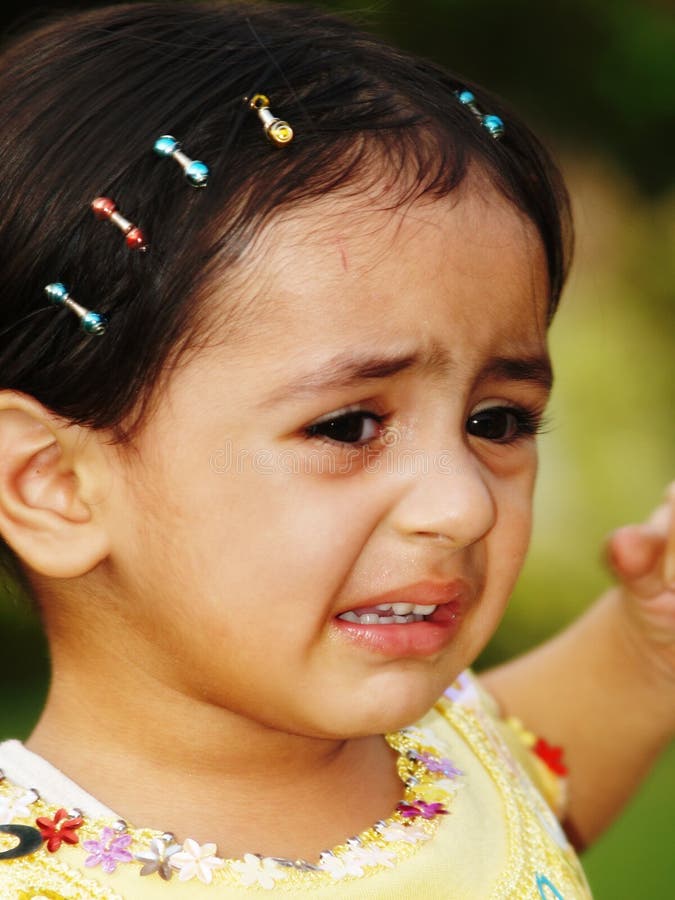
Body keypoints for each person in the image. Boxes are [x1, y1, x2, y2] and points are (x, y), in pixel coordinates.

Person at [0, 2, 672, 897]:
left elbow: (606, 702)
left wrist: (650, 627)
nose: (462, 505)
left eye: (496, 421)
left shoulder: (460, 758)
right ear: (52, 485)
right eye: (349, 426)